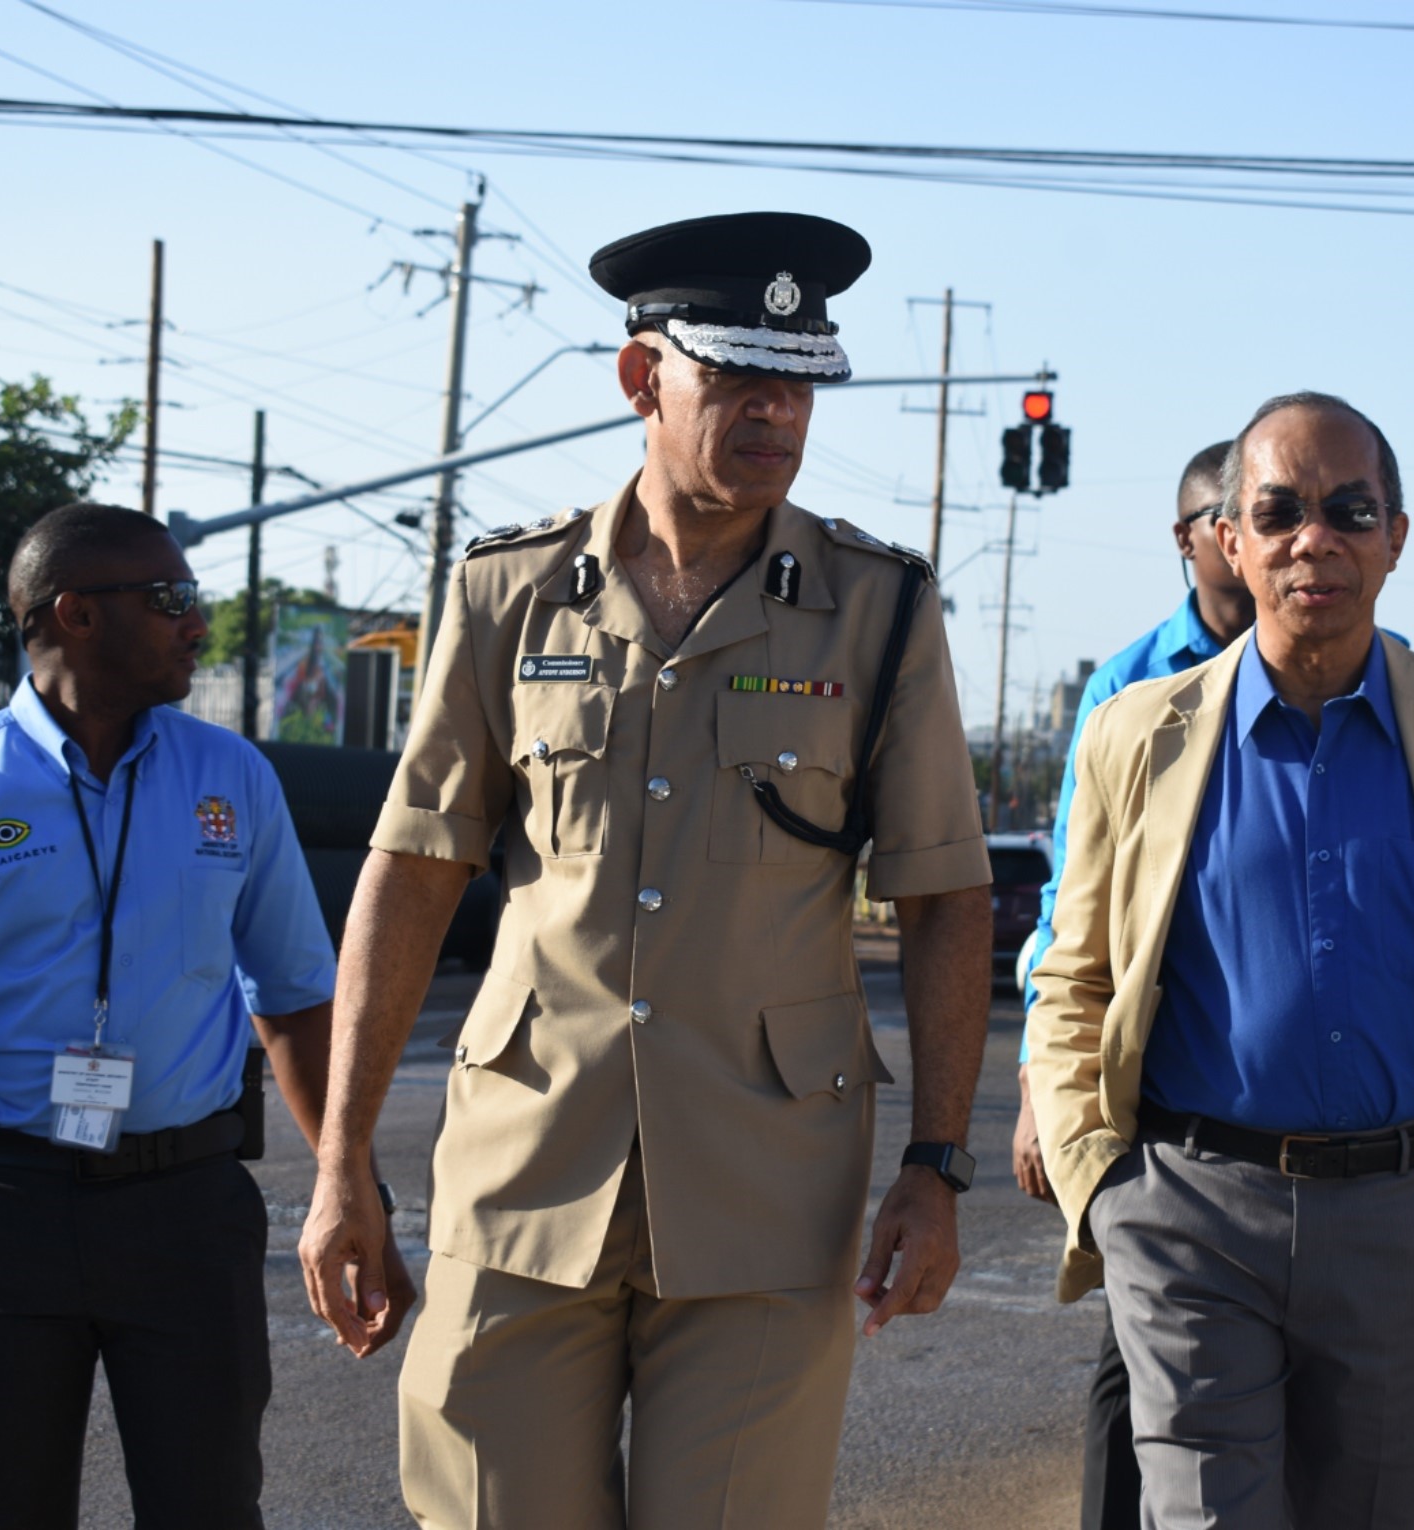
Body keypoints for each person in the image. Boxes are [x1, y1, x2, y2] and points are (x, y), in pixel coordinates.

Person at [295, 211, 994, 1529]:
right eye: (736, 376)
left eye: (797, 384)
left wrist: (936, 1165)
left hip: (763, 1189)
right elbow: (412, 866)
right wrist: (340, 1167)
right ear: (640, 380)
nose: (775, 413)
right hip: (522, 1169)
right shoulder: (510, 593)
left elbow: (946, 895)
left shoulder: (878, 606)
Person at [1026, 391, 1414, 1529]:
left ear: (1396, 540)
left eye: (1349, 510)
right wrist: (1104, 1184)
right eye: (1277, 511)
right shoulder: (1137, 732)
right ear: (1228, 538)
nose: (1311, 539)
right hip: (1186, 1222)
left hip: (1408, 1225)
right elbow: (1074, 972)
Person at [0, 503, 414, 1530]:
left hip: (187, 1209)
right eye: (169, 599)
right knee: (4, 1513)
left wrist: (357, 1194)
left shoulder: (234, 781)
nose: (196, 624)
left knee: (210, 1509)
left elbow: (299, 1008)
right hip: (4, 1208)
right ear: (74, 614)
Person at [1009, 438, 1247, 1530]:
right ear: (1189, 537)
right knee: (1134, 1344)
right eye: (1228, 518)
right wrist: (1037, 1090)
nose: (1253, 540)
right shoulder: (1130, 683)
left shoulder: (1368, 669)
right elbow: (1074, 894)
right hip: (1157, 1071)